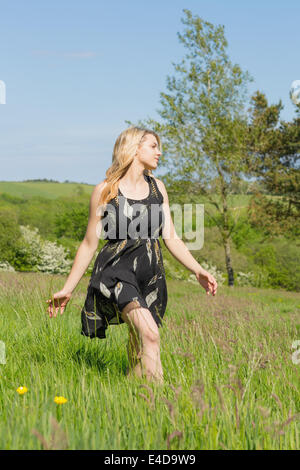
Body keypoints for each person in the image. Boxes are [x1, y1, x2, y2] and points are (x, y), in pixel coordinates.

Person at [46, 126, 218, 384]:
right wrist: (68, 288)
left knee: (139, 343)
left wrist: (197, 269)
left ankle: (133, 393)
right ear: (134, 148)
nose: (159, 152)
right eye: (153, 146)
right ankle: (159, 403)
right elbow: (89, 244)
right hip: (117, 273)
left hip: (150, 276)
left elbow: (170, 236)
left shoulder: (158, 188)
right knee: (150, 335)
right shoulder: (106, 190)